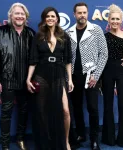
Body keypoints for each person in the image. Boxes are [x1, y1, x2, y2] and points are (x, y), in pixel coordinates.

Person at [0, 3, 35, 150]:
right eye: (17, 13)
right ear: (11, 15)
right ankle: (5, 144)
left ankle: (20, 139)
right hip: (7, 80)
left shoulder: (31, 33)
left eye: (22, 14)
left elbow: (35, 60)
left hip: (26, 81)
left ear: (25, 17)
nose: (20, 16)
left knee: (23, 111)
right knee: (6, 113)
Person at [26, 7, 74, 150]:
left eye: (53, 16)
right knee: (42, 111)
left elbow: (68, 60)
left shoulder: (64, 36)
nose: (50, 19)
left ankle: (65, 141)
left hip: (59, 75)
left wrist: (70, 79)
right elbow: (33, 60)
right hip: (41, 75)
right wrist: (28, 79)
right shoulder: (38, 36)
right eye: (47, 16)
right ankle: (46, 142)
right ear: (44, 19)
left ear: (57, 18)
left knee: (65, 110)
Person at [66, 2, 108, 150]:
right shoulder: (69, 32)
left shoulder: (96, 30)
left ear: (87, 13)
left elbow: (104, 54)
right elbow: (67, 57)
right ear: (74, 14)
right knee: (76, 107)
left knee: (92, 108)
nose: (82, 15)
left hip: (91, 76)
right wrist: (68, 77)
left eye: (84, 12)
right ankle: (81, 134)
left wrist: (96, 76)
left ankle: (94, 139)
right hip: (74, 76)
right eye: (79, 13)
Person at [101, 4, 123, 147]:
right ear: (108, 20)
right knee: (108, 105)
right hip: (107, 71)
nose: (115, 21)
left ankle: (122, 139)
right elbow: (100, 56)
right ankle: (108, 138)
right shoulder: (104, 36)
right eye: (112, 18)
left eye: (117, 19)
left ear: (121, 20)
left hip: (122, 72)